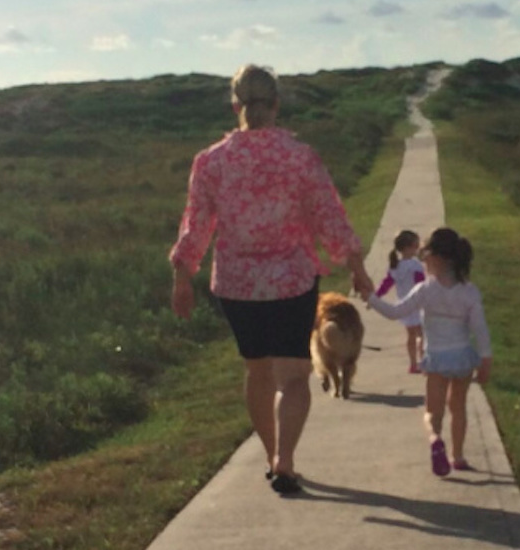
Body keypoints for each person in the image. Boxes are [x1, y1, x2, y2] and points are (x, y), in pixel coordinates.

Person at [169, 64, 374, 495]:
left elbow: (196, 224)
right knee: (295, 377)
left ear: (235, 105)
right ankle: (285, 460)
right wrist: (354, 264)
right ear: (276, 104)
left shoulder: (211, 162)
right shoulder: (300, 157)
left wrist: (182, 276)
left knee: (257, 371)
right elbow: (329, 215)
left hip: (238, 287)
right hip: (292, 283)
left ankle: (270, 456)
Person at [364, 228, 492, 476]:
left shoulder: (426, 290)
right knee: (459, 408)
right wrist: (485, 360)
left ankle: (435, 440)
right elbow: (481, 329)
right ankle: (458, 456)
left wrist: (370, 297)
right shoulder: (469, 292)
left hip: (436, 359)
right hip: (463, 358)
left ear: (434, 258)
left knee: (433, 412)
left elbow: (395, 312)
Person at [374, 230, 426, 374]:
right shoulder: (416, 265)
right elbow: (421, 284)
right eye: (416, 245)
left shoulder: (395, 266)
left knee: (410, 336)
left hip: (403, 306)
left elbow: (386, 284)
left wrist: (376, 296)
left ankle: (413, 364)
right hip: (417, 304)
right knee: (421, 335)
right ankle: (424, 361)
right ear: (409, 247)